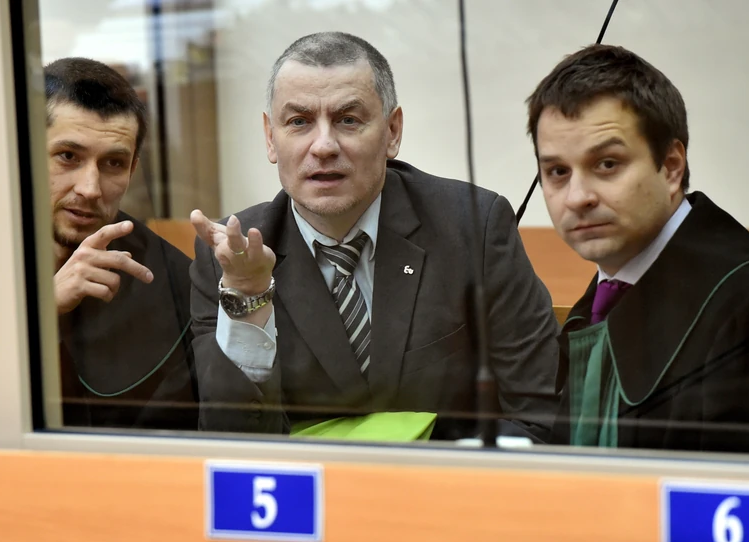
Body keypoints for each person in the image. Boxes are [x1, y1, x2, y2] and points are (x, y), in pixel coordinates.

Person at [189, 32, 559, 441]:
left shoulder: (473, 227)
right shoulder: (230, 258)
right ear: (270, 137)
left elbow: (537, 413)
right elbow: (230, 442)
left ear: (392, 131)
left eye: (348, 120)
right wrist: (247, 297)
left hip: (448, 475)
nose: (324, 146)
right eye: (299, 122)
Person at [527, 44, 749, 452]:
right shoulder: (606, 290)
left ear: (671, 166)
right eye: (557, 171)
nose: (577, 197)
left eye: (607, 164)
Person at [47, 58, 197, 429]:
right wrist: (43, 310)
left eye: (113, 163)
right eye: (68, 156)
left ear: (132, 169)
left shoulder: (173, 284)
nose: (90, 189)